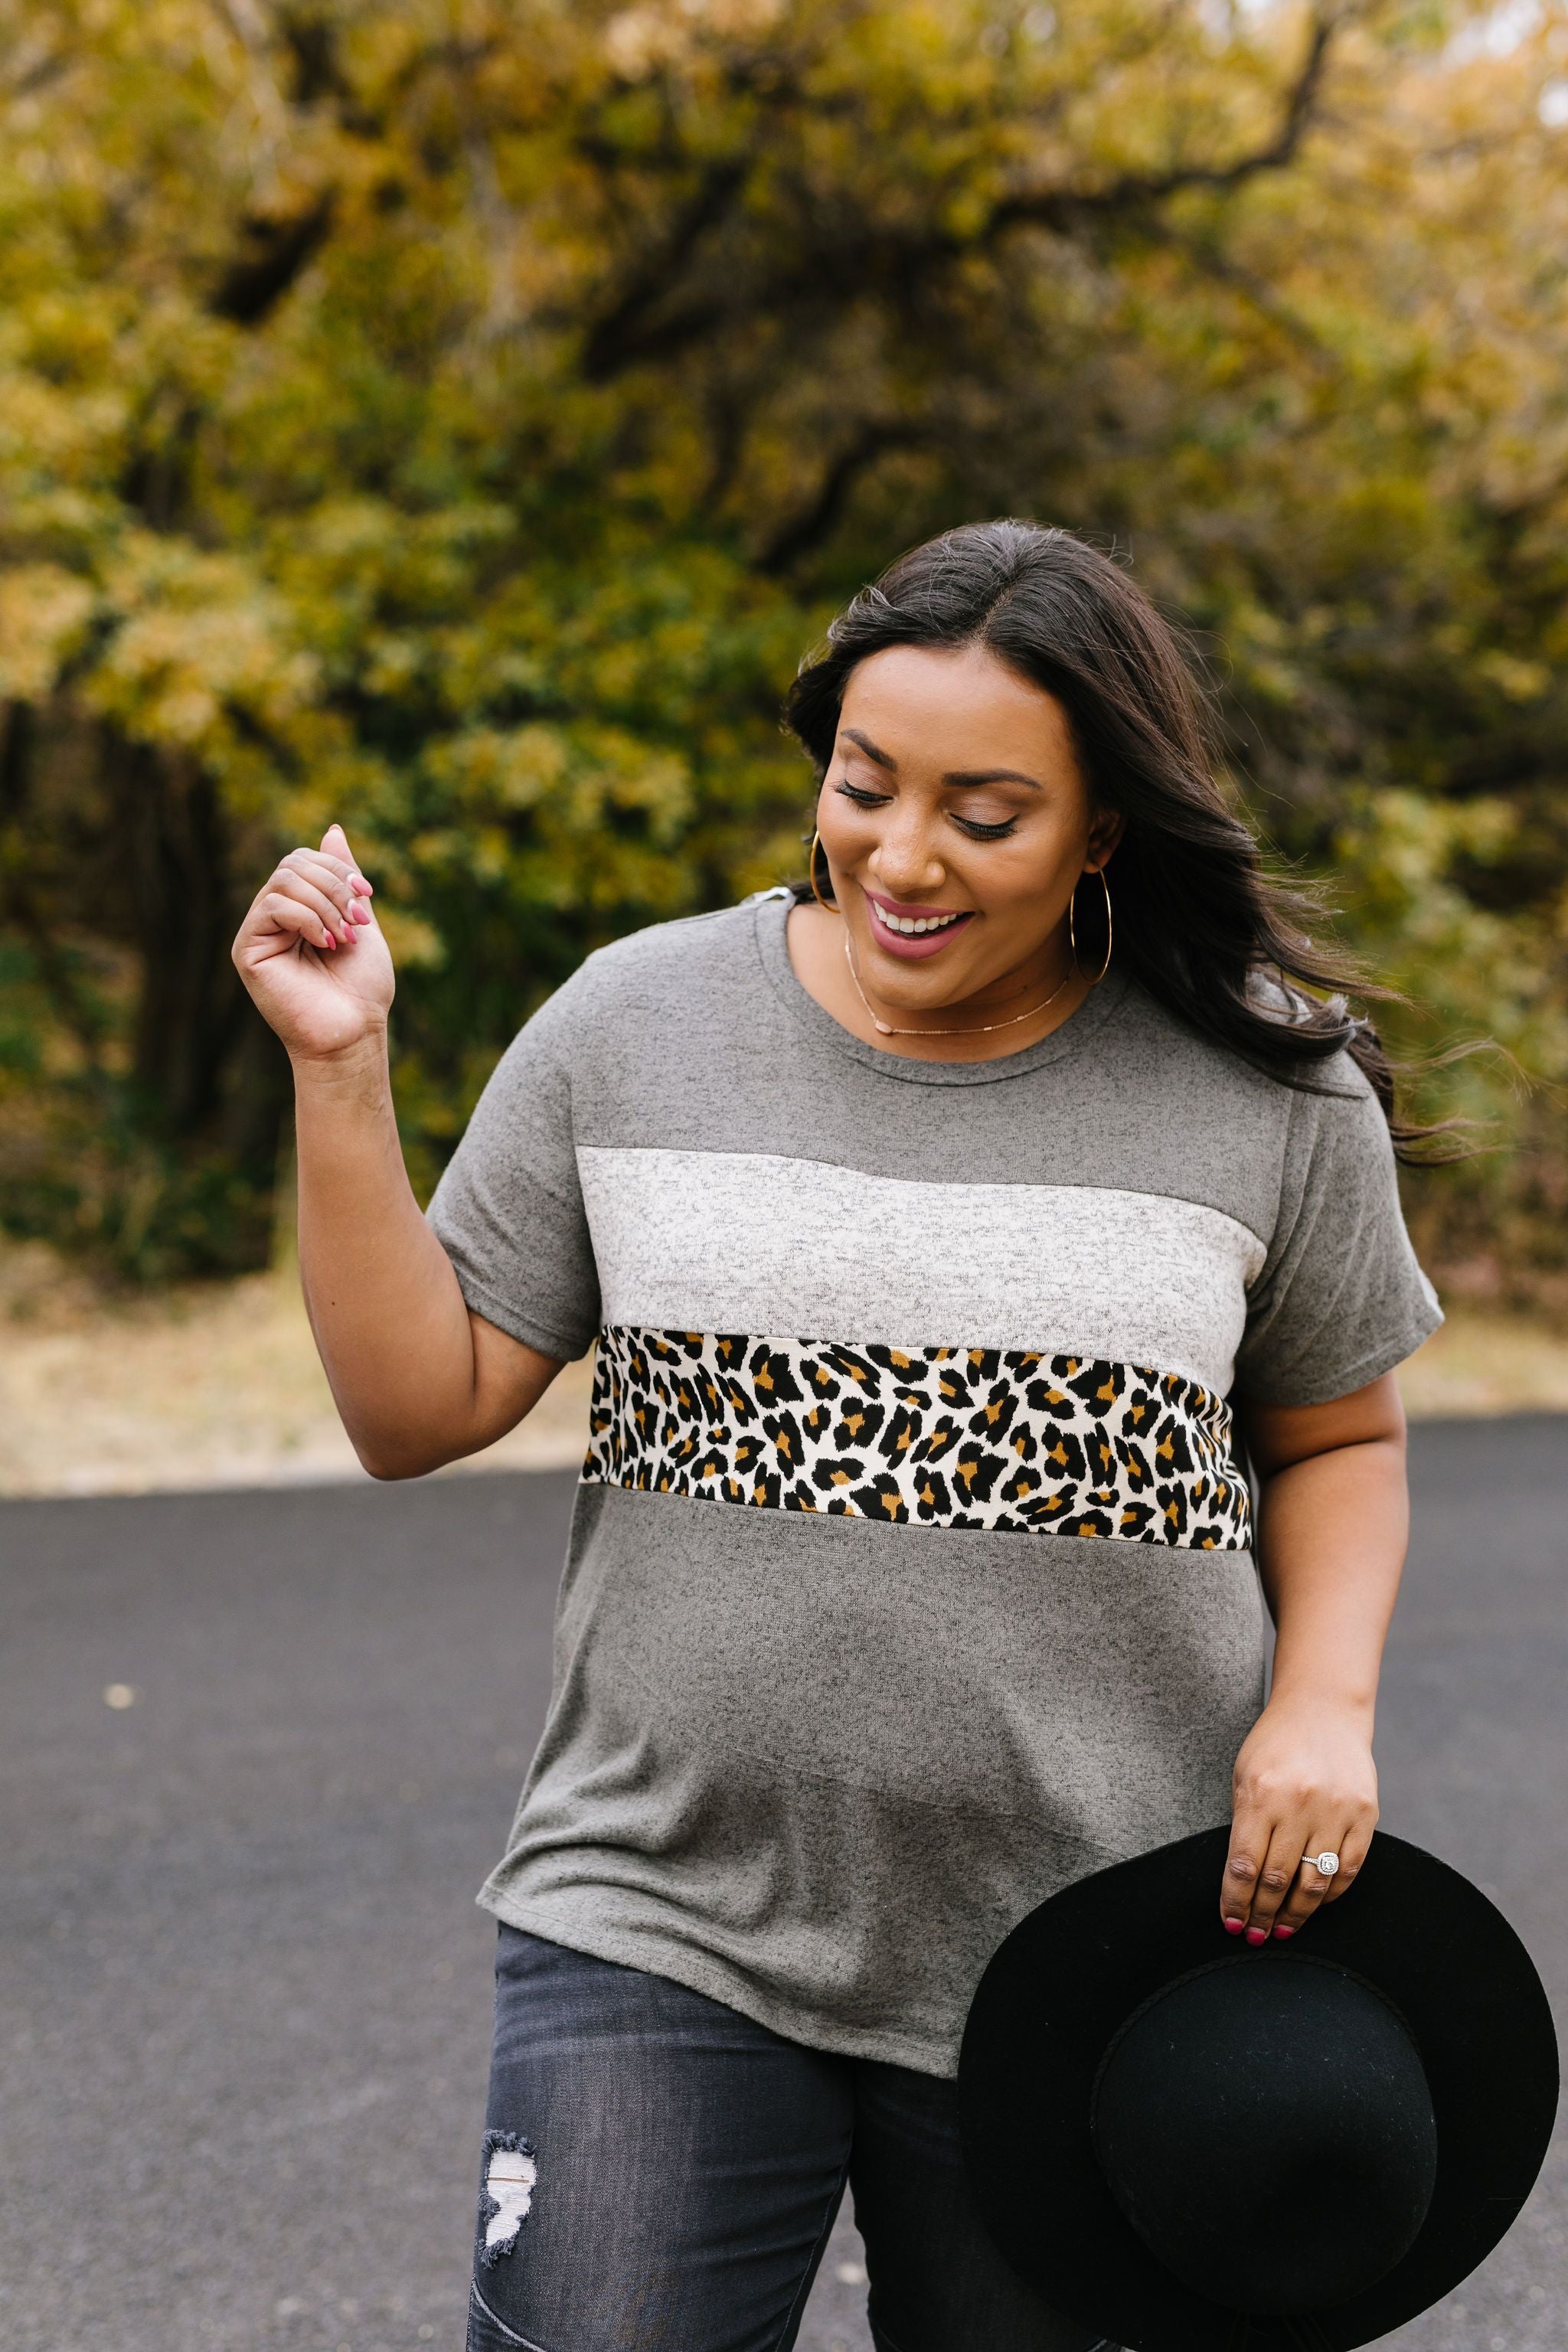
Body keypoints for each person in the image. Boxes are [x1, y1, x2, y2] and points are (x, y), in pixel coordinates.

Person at [232, 521, 1443, 2352]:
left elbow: (1338, 1438)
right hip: (660, 1910)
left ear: (1100, 829)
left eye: (985, 811)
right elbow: (417, 1406)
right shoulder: (633, 1025)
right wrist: (341, 1072)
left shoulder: (1263, 1090)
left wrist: (1324, 1707)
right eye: (864, 786)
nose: (902, 852)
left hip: (1085, 1950)